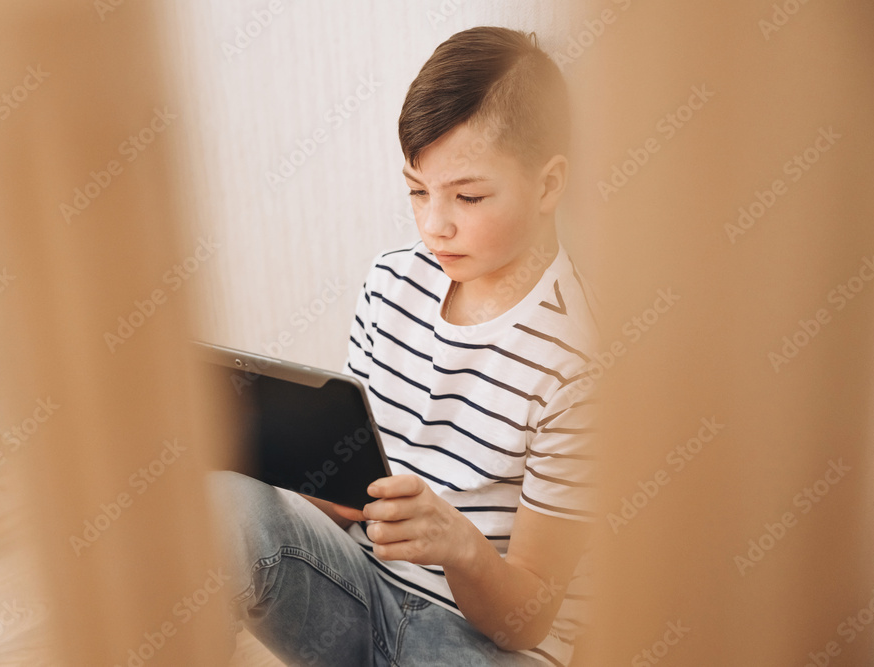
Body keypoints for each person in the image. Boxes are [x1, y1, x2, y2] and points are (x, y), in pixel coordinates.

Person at [212, 26, 598, 666]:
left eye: (468, 196)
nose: (433, 224)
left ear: (548, 185)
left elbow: (528, 622)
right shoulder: (392, 280)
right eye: (418, 190)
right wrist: (282, 472)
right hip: (358, 594)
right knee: (223, 501)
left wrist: (459, 543)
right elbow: (343, 495)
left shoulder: (577, 364)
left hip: (477, 643)